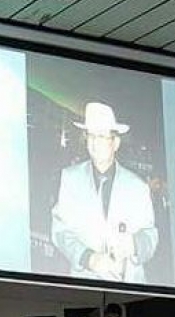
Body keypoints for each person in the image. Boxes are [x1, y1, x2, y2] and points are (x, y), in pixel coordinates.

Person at [51, 102, 158, 283]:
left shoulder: (138, 187)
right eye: (90, 136)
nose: (94, 143)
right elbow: (60, 231)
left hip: (130, 288)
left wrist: (134, 244)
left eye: (101, 136)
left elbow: (150, 236)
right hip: (85, 286)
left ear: (115, 142)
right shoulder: (70, 178)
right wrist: (88, 258)